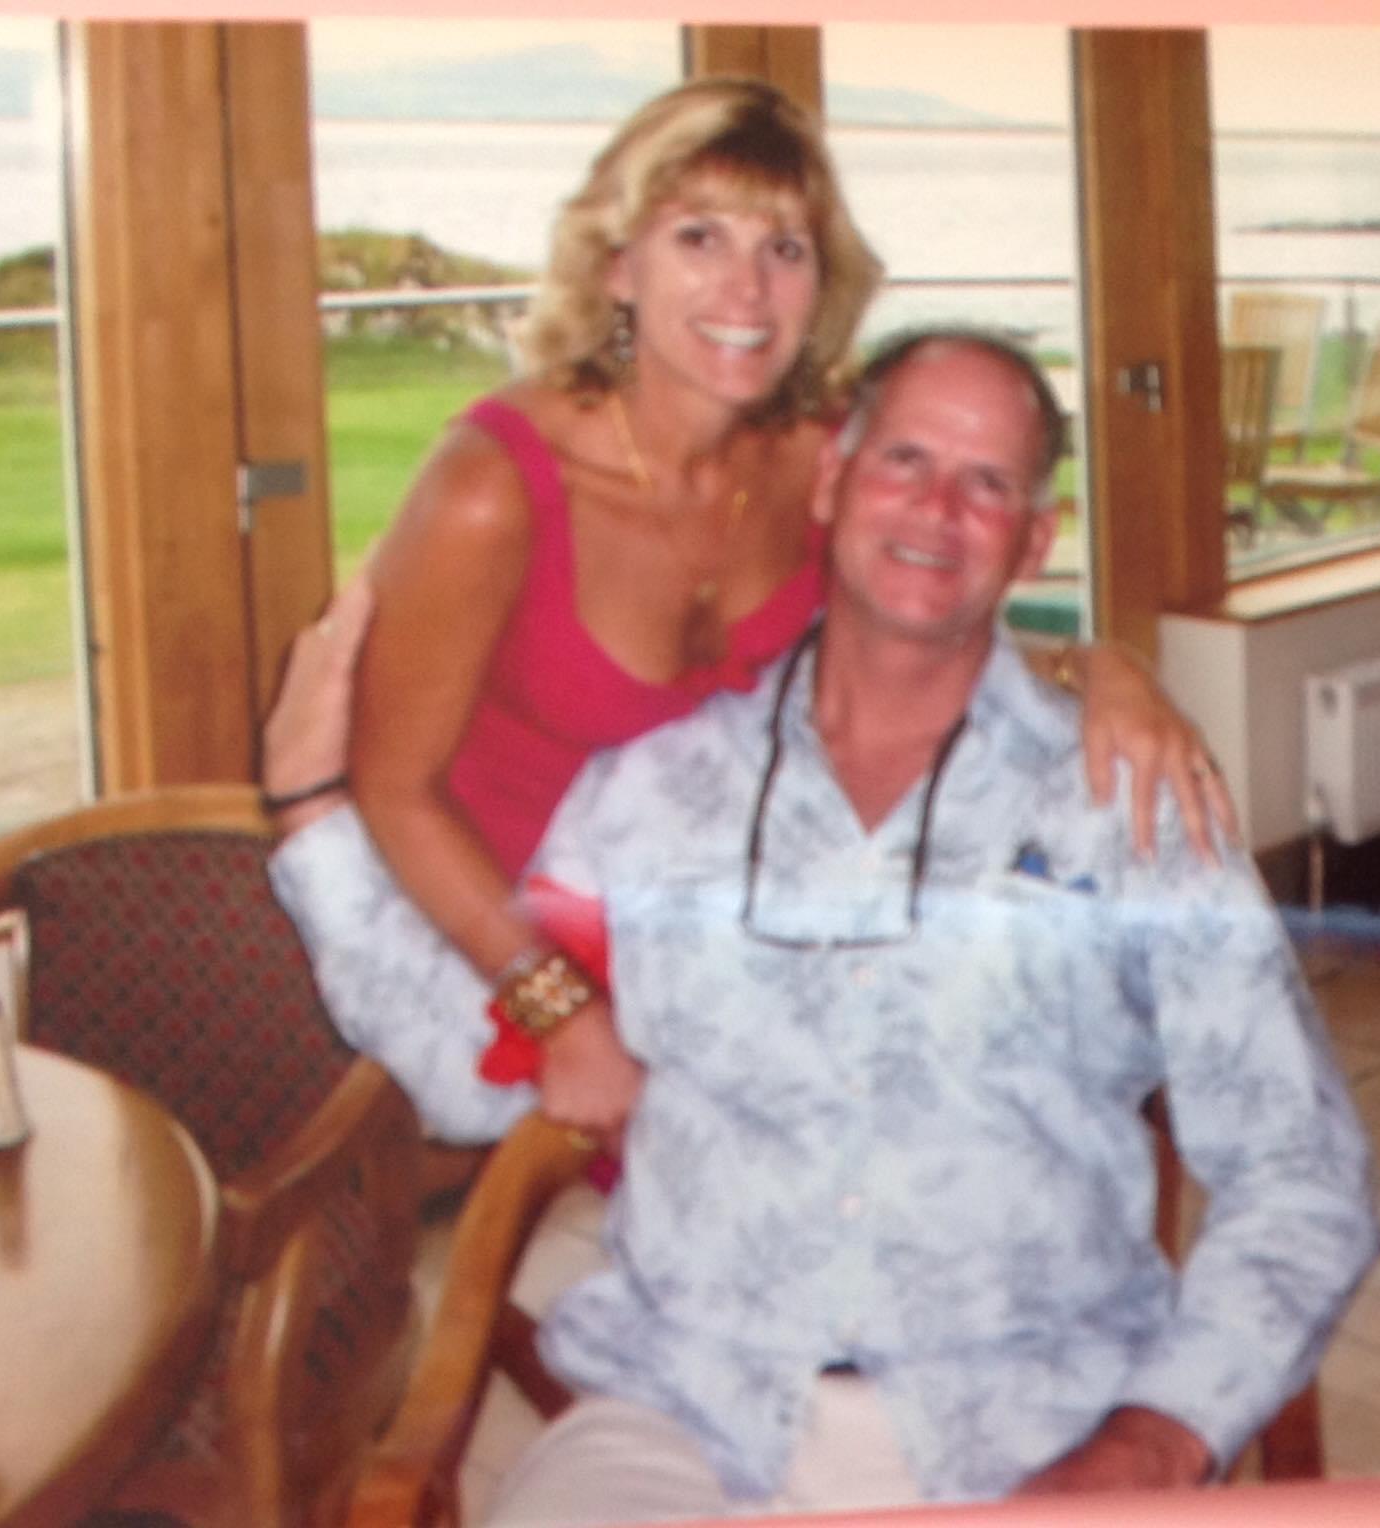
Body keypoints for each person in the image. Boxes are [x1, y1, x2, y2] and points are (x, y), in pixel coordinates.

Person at [271, 329, 1380, 1522]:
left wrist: (1153, 1442)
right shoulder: (654, 788)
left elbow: (1301, 1171)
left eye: (987, 482)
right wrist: (312, 812)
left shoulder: (1129, 799)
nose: (937, 509)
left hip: (1032, 1428)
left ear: (1033, 540)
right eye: (903, 459)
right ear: (831, 484)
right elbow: (472, 1075)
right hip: (684, 1418)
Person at [261, 77, 1238, 1142]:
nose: (748, 290)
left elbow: (930, 617)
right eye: (699, 238)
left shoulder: (819, 456)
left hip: (674, 894)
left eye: (784, 248)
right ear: (617, 266)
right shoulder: (493, 488)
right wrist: (562, 1013)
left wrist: (1104, 670)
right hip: (470, 927)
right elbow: (396, 792)